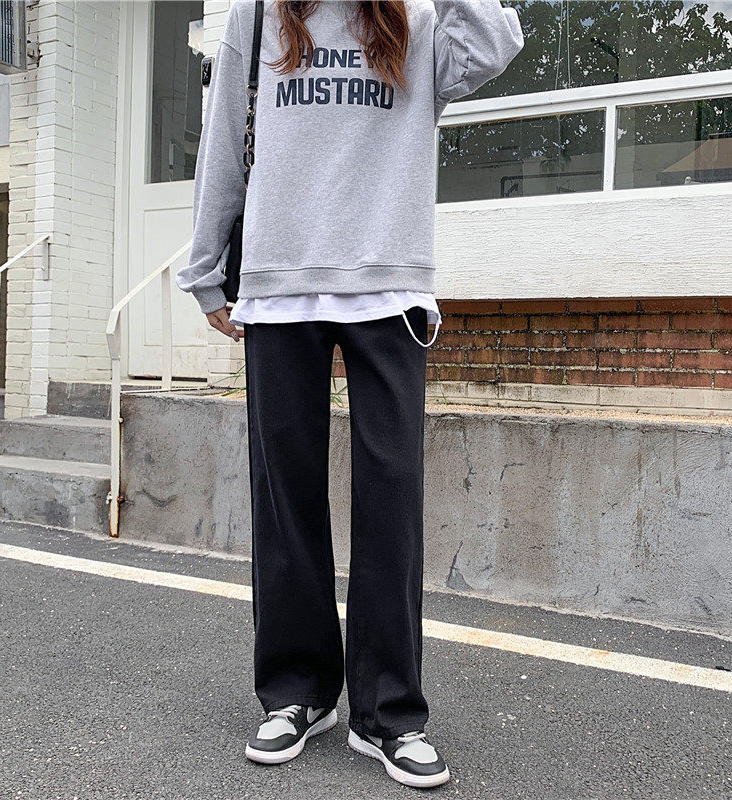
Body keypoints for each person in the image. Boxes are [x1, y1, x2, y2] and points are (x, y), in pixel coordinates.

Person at [176, 0, 524, 789]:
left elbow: (497, 40)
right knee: (285, 502)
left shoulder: (419, 19)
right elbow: (225, 135)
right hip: (279, 286)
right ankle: (297, 692)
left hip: (389, 285)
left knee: (391, 502)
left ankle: (389, 713)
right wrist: (205, 268)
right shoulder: (258, 15)